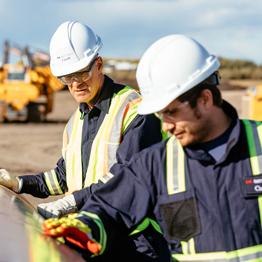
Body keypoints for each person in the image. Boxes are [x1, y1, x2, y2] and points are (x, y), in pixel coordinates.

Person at [43, 34, 262, 261]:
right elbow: (110, 206)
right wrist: (86, 227)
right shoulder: (155, 164)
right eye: (160, 114)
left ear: (205, 99)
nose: (165, 125)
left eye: (172, 112)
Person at [0, 21, 171, 262]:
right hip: (93, 236)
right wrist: (20, 183)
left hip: (137, 242)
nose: (75, 84)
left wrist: (72, 202)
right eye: (66, 77)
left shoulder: (135, 110)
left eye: (80, 73)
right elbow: (64, 176)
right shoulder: (75, 122)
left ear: (98, 65)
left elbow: (128, 178)